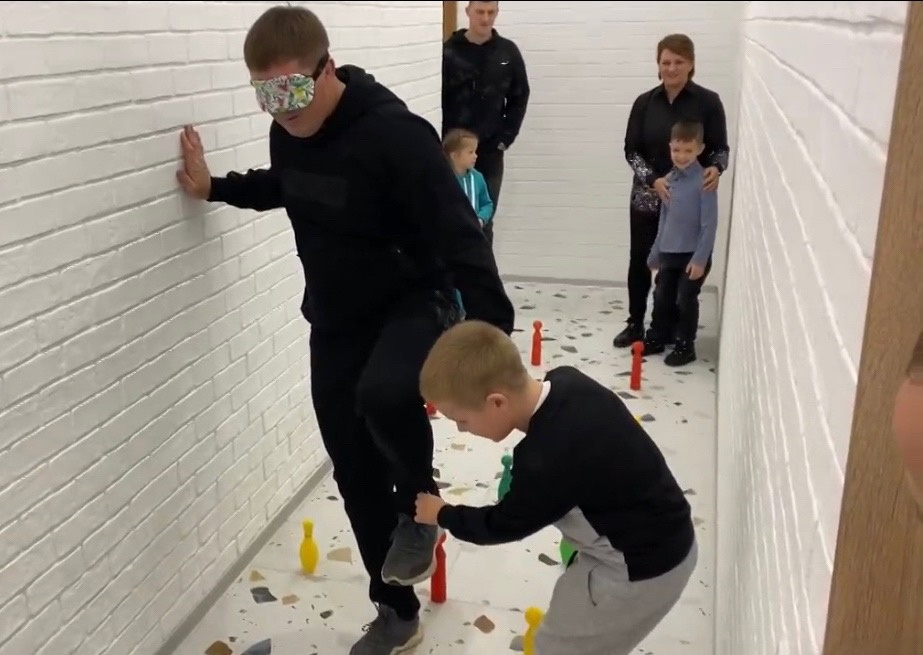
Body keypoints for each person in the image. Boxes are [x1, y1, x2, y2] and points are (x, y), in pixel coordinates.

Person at [175, 7, 515, 654]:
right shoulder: (288, 133)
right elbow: (289, 185)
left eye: (292, 91)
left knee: (382, 393)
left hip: (416, 299)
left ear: (327, 69)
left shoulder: (396, 135)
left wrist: (493, 332)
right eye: (266, 97)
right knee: (354, 469)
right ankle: (396, 610)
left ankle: (421, 504)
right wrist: (214, 186)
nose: (283, 111)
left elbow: (458, 232)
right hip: (335, 317)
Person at [414, 320, 698, 655]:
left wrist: (442, 513)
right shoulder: (567, 380)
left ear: (497, 402)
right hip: (665, 534)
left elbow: (499, 525)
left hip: (638, 570)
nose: (462, 431)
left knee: (554, 648)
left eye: (462, 420)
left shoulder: (544, 458)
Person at [613, 33, 729, 349]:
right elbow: (631, 150)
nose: (671, 68)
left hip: (688, 201)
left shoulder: (709, 102)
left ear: (691, 64)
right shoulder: (644, 103)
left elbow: (720, 149)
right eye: (666, 62)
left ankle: (674, 328)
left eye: (679, 62)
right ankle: (635, 322)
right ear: (658, 64)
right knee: (641, 259)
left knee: (680, 265)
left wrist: (716, 169)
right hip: (649, 196)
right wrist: (653, 180)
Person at [442, 0, 531, 246]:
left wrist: (505, 138)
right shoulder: (449, 52)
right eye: (480, 12)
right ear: (468, 12)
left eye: (491, 12)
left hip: (490, 151)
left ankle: (481, 270)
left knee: (484, 219)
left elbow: (520, 96)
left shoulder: (507, 53)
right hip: (453, 151)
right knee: (448, 215)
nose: (485, 18)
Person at [645, 120, 717, 366]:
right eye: (676, 150)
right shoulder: (669, 180)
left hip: (692, 255)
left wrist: (700, 259)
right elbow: (664, 219)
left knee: (685, 298)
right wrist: (656, 251)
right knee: (662, 295)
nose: (682, 156)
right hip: (669, 252)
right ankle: (658, 336)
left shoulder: (705, 181)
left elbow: (709, 224)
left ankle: (686, 346)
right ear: (670, 147)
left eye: (688, 150)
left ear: (700, 149)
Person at [443, 128, 495, 230]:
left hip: (473, 232)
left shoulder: (477, 177)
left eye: (475, 151)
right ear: (454, 155)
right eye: (470, 152)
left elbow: (487, 204)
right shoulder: (444, 179)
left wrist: (481, 219)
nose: (475, 156)